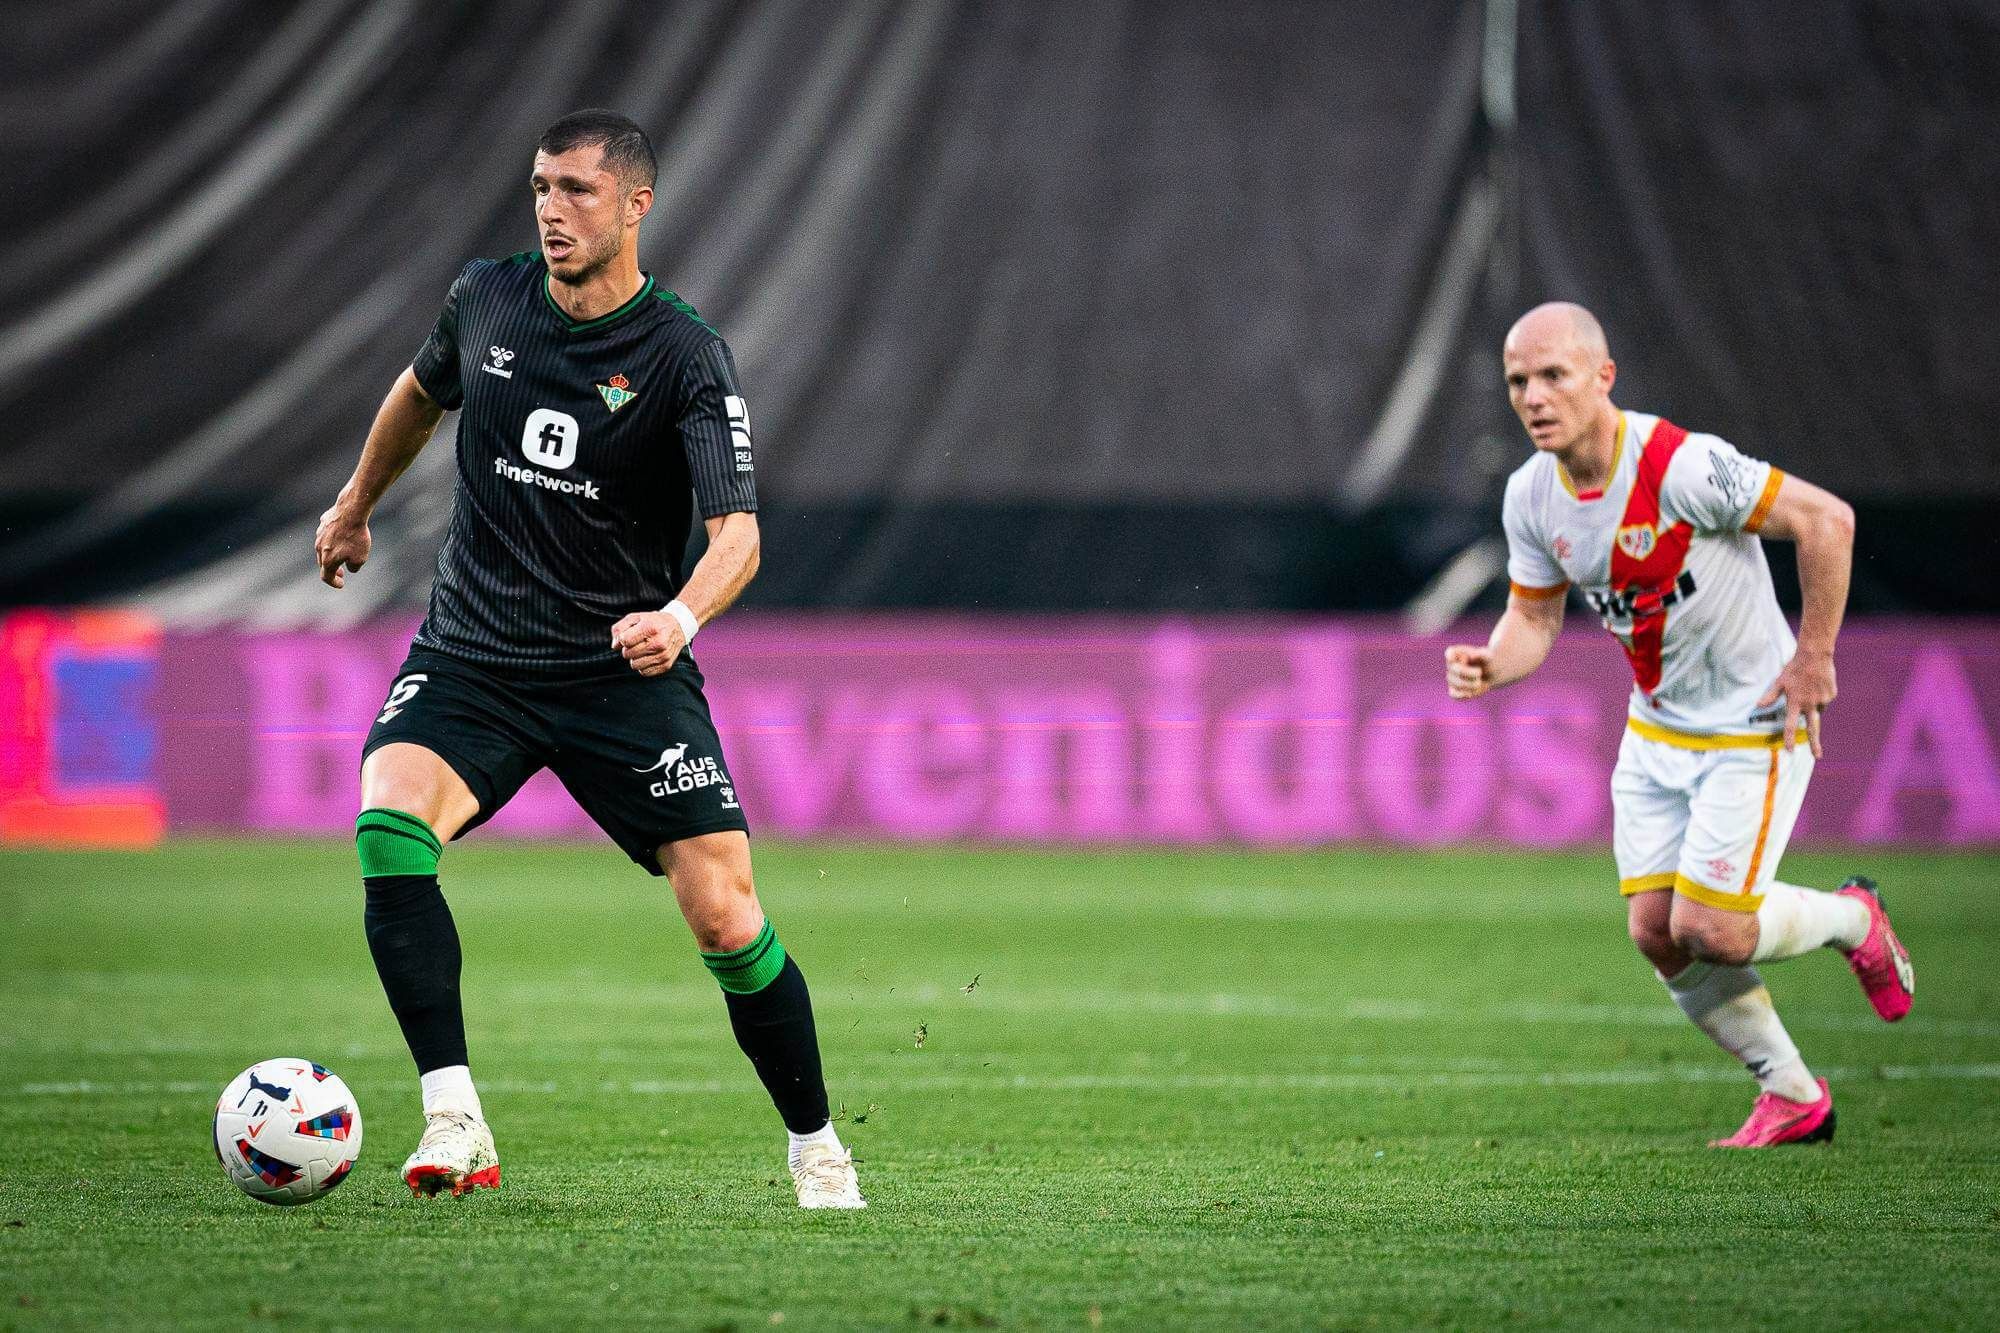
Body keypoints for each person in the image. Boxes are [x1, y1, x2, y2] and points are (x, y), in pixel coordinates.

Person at [314, 109, 863, 1207]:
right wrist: (354, 503)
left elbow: (738, 537)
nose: (552, 211)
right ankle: (453, 1115)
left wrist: (682, 619)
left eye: (576, 191)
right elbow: (420, 393)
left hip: (624, 672)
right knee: (387, 822)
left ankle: (816, 1145)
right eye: (540, 188)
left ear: (635, 205)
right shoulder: (487, 298)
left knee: (724, 914)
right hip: (476, 653)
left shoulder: (684, 355)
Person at [1445, 301, 1914, 1147]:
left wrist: (1814, 657)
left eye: (1553, 375)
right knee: (1656, 933)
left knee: (1712, 929)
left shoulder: (1679, 464)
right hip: (1657, 731)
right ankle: (1794, 1095)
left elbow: (1826, 520)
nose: (1534, 397)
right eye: (1518, 380)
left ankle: (1855, 919)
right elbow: (1536, 619)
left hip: (1753, 723)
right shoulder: (1530, 496)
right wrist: (1492, 661)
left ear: (1602, 377)